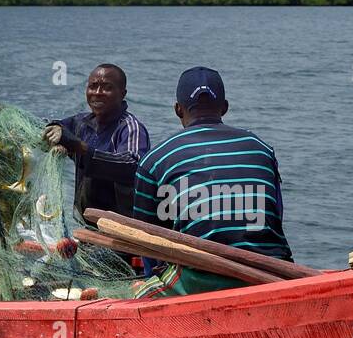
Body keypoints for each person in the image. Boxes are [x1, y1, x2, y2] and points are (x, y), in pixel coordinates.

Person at [131, 67, 292, 297]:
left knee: (138, 290)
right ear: (225, 107)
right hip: (275, 270)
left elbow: (146, 242)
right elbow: (276, 216)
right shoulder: (261, 147)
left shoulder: (156, 159)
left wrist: (152, 281)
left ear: (178, 109)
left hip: (201, 277)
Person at [43, 63, 150, 216]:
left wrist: (79, 147)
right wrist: (56, 129)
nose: (98, 93)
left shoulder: (130, 127)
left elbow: (132, 166)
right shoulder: (81, 123)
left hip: (119, 226)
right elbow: (51, 126)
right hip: (86, 223)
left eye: (107, 88)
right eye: (93, 86)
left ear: (122, 93)